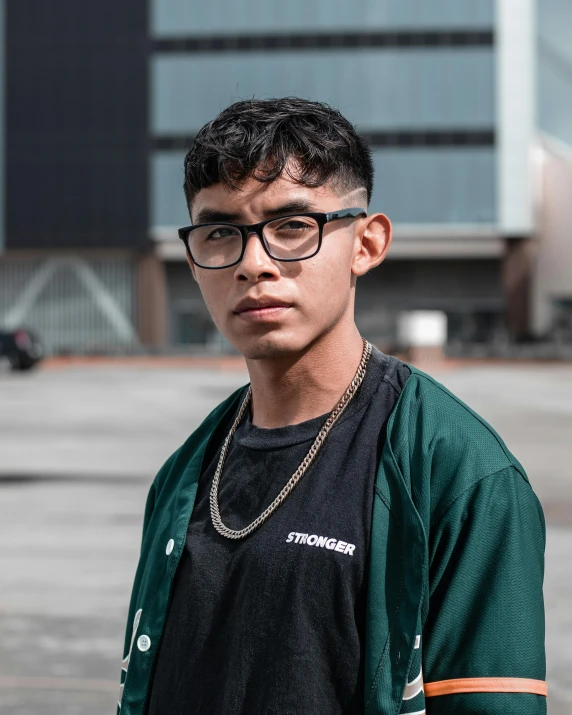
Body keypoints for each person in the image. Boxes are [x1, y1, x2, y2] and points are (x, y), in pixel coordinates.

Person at [118, 98, 546, 715]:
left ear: (366, 244)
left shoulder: (459, 474)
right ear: (193, 260)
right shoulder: (183, 473)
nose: (254, 265)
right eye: (220, 234)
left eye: (292, 227)